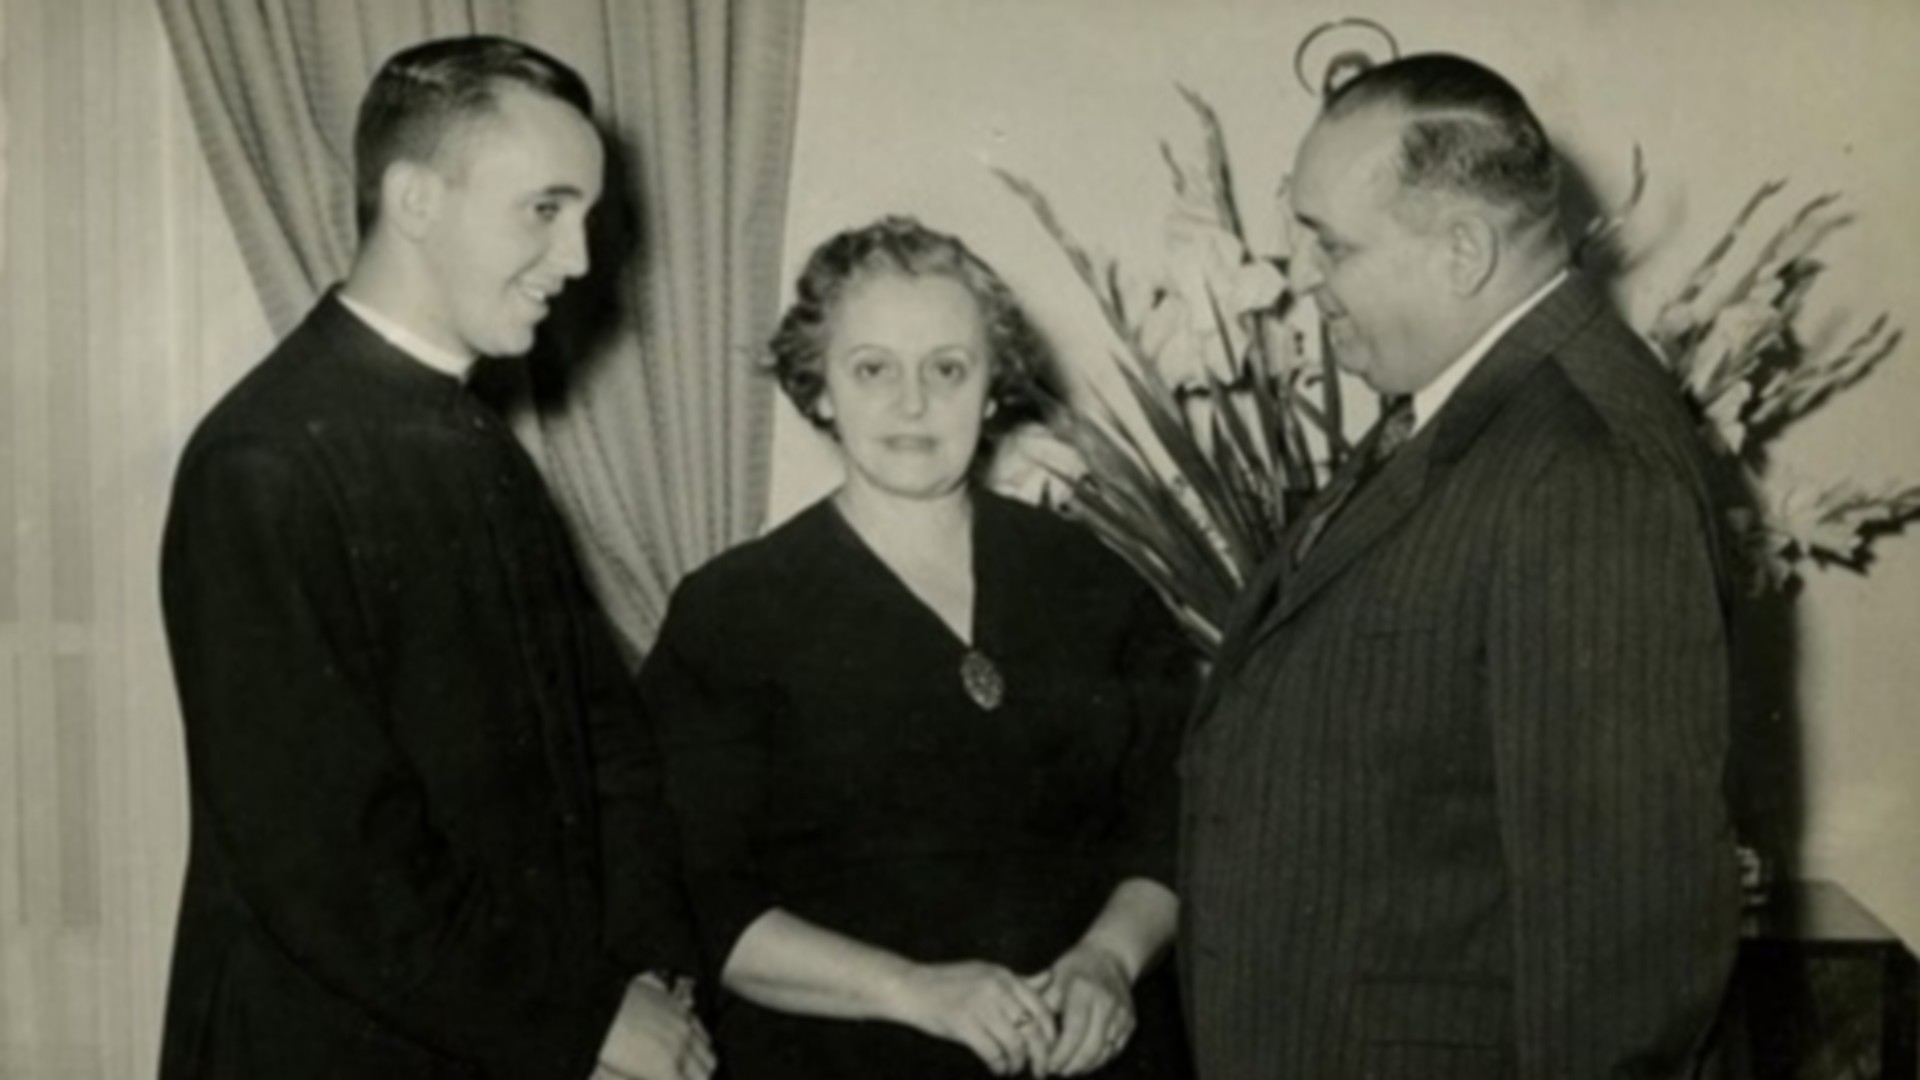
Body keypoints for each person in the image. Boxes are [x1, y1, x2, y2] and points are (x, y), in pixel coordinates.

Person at [157, 36, 713, 1080]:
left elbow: (605, 745)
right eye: (544, 209)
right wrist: (587, 1017)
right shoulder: (261, 463)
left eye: (585, 215)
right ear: (413, 200)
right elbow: (330, 863)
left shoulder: (475, 441)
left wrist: (648, 968)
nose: (582, 261)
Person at [1179, 54, 1741, 1079]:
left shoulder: (1580, 462)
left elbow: (1624, 949)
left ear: (1463, 252)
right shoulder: (1469, 409)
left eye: (1331, 247)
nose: (1306, 282)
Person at [638, 217, 1197, 1079]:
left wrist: (1110, 961)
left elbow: (1175, 823)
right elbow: (705, 902)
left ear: (993, 387)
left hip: (1090, 1058)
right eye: (873, 370)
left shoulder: (1088, 578)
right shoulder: (732, 613)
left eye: (947, 369)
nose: (913, 404)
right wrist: (914, 991)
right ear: (818, 387)